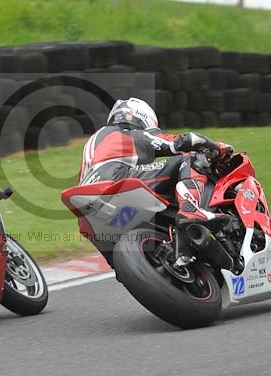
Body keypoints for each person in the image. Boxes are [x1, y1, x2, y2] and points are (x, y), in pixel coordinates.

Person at [79, 97, 234, 262]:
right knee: (189, 159)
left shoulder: (94, 146)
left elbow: (125, 271)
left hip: (89, 214)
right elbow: (183, 141)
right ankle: (190, 209)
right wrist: (215, 148)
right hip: (116, 181)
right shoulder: (128, 133)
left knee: (123, 262)